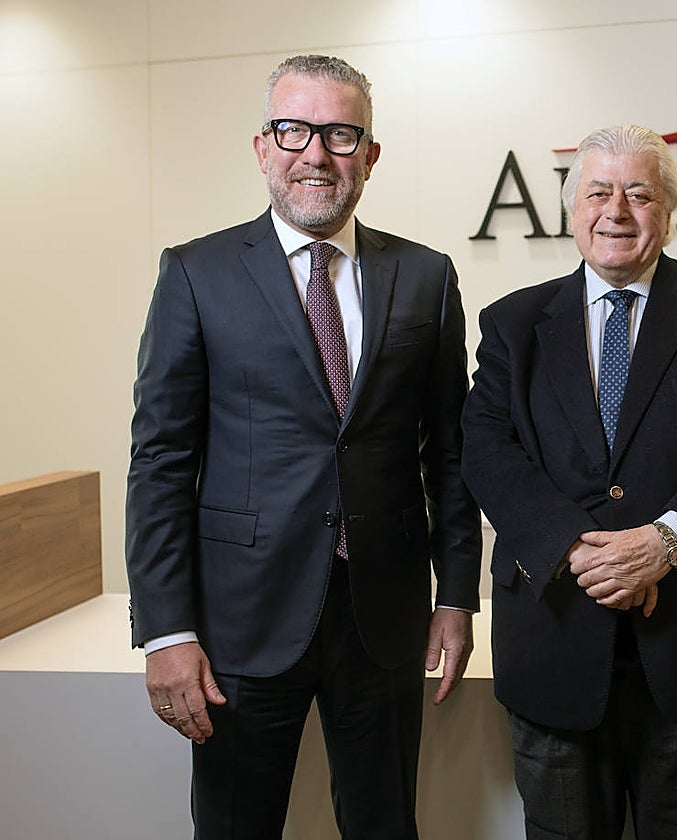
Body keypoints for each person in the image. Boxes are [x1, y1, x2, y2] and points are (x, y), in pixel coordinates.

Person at [125, 54, 481, 838]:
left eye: (340, 134)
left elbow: (452, 455)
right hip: (240, 619)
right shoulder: (196, 273)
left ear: (371, 155)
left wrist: (456, 594)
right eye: (293, 130)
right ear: (263, 147)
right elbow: (160, 462)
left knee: (385, 825)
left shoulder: (426, 277)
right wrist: (166, 631)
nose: (316, 153)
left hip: (383, 617)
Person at [460, 124, 677, 839]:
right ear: (571, 210)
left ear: (668, 212)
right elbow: (486, 448)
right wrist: (576, 549)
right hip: (555, 641)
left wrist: (666, 543)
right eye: (598, 192)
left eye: (638, 194)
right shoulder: (513, 322)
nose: (616, 211)